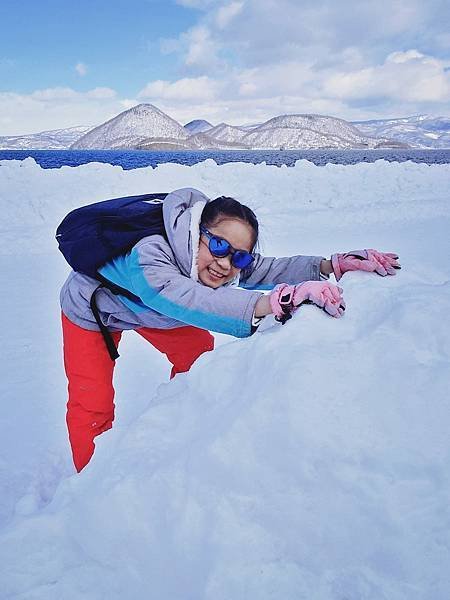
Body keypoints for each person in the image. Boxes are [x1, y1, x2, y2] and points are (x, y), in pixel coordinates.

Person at [60, 187, 400, 472]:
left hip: (158, 314)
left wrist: (329, 265)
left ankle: (175, 433)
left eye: (238, 257)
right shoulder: (150, 253)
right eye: (219, 246)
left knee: (199, 363)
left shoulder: (219, 262)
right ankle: (90, 486)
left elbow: (265, 269)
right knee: (93, 405)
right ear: (196, 233)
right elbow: (176, 296)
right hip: (94, 311)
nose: (225, 263)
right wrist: (274, 304)